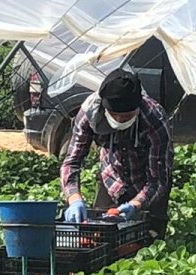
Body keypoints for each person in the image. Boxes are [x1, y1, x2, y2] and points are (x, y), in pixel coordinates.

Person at [61, 67, 175, 237]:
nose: (120, 120)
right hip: (111, 178)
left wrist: (136, 203)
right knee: (100, 236)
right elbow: (72, 161)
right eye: (115, 115)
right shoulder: (89, 114)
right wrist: (74, 198)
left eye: (127, 116)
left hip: (147, 183)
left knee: (149, 236)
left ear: (137, 108)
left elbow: (158, 179)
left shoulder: (154, 118)